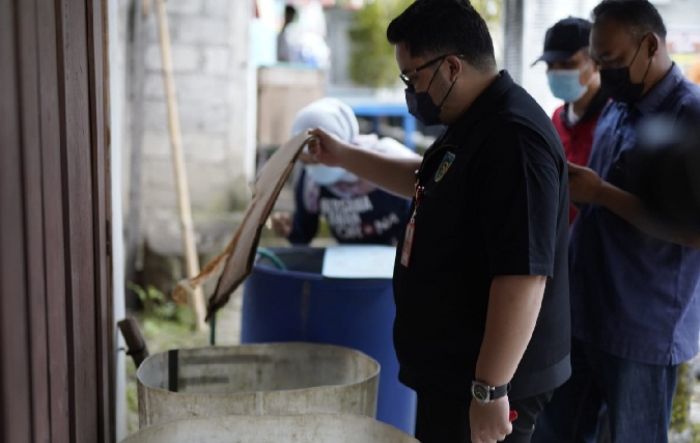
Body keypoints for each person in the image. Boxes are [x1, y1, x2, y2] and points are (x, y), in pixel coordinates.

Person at [307, 1, 571, 442]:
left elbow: (522, 278)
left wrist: (490, 389)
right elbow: (425, 179)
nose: (411, 90)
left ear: (451, 66)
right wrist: (344, 157)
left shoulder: (514, 141)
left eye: (413, 76)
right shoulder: (472, 120)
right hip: (455, 373)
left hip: (490, 381)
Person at [532, 2, 700, 443]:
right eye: (599, 61)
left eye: (614, 61)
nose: (605, 73)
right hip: (585, 311)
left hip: (642, 327)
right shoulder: (619, 104)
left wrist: (600, 194)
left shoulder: (690, 116)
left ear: (650, 45)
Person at [271, 98, 416, 245]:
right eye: (307, 161)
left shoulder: (390, 159)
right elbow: (304, 230)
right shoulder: (310, 185)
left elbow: (421, 207)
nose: (317, 164)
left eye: (320, 155)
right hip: (345, 262)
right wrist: (291, 230)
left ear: (340, 142)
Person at [533, 17, 608, 222]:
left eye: (568, 63)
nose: (556, 72)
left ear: (596, 63)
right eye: (550, 65)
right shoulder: (557, 118)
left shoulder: (615, 120)